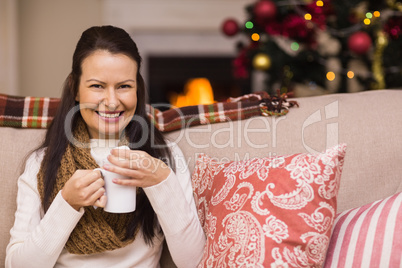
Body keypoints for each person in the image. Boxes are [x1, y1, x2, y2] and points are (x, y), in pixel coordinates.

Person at [5, 25, 206, 268]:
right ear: (74, 88)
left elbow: (194, 262)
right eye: (97, 86)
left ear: (138, 90)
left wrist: (162, 182)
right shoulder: (42, 163)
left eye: (124, 86)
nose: (112, 102)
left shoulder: (164, 156)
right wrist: (66, 203)